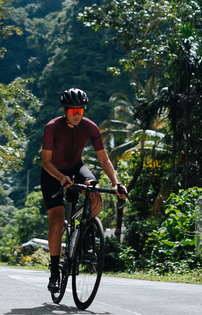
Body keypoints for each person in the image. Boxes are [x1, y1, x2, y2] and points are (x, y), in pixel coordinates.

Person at [40, 87, 128, 292]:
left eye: (80, 110)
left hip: (77, 167)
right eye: (72, 111)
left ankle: (86, 236)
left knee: (95, 194)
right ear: (64, 110)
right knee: (57, 219)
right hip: (53, 172)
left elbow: (104, 160)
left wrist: (116, 183)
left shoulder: (91, 128)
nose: (77, 115)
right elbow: (45, 162)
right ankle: (54, 270)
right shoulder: (52, 127)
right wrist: (61, 178)